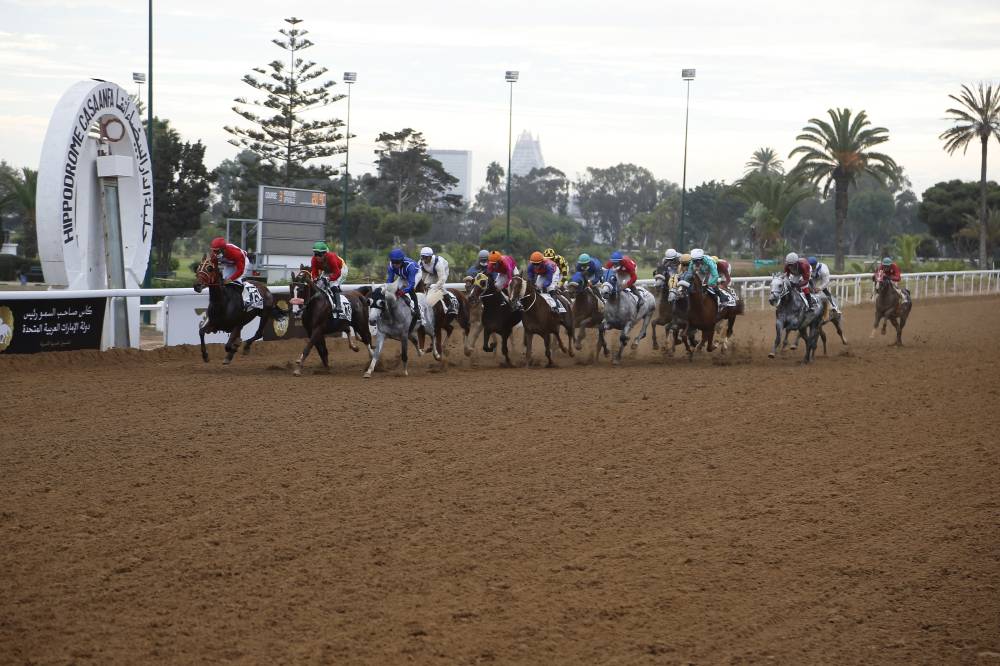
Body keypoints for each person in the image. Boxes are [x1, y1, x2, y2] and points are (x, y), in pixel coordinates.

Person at [386, 248, 422, 325]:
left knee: (410, 289)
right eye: (393, 262)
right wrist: (389, 289)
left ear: (402, 260)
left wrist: (403, 291)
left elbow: (411, 284)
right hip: (403, 275)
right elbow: (390, 280)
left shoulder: (410, 266)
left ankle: (416, 308)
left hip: (415, 274)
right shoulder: (391, 266)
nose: (395, 264)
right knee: (394, 289)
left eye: (397, 262)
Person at [310, 241, 347, 316]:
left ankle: (338, 306)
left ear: (325, 254)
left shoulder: (331, 257)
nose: (317, 257)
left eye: (319, 255)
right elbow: (314, 272)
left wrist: (329, 278)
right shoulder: (314, 260)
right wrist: (315, 278)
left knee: (333, 284)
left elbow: (337, 273)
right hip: (327, 270)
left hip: (340, 269)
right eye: (315, 254)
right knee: (318, 285)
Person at [417, 246, 456, 315]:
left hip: (443, 271)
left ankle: (451, 304)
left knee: (438, 287)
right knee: (425, 284)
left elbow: (442, 279)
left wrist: (435, 288)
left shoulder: (438, 263)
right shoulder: (420, 262)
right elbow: (419, 276)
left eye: (426, 257)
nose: (424, 260)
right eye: (423, 257)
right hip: (431, 272)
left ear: (431, 256)